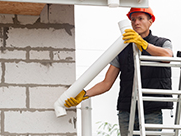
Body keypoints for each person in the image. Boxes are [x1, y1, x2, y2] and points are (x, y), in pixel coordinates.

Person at [64, 7, 173, 136]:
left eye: (140, 19)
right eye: (133, 20)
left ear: (150, 21)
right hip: (126, 111)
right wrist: (84, 94)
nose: (136, 22)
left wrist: (144, 44)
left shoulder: (162, 43)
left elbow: (168, 56)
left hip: (151, 110)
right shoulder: (122, 49)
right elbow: (106, 83)